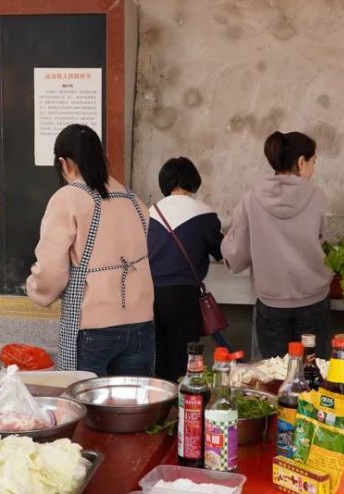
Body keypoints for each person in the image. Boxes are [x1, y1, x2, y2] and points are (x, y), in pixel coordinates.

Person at [26, 124, 155, 376]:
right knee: (131, 409)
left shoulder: (69, 198)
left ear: (64, 163)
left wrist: (37, 290)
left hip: (92, 328)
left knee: (85, 408)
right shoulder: (133, 200)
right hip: (141, 325)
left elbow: (51, 271)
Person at [221, 131, 332, 360]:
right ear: (301, 162)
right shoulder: (318, 197)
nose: (313, 168)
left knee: (273, 378)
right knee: (314, 373)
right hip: (313, 300)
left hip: (271, 303)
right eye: (313, 162)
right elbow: (323, 241)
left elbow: (235, 254)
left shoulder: (251, 198)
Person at [147, 157, 223, 381]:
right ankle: (183, 408)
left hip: (151, 295)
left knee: (158, 357)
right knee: (185, 361)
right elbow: (221, 251)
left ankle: (161, 408)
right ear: (193, 181)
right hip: (185, 296)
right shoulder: (204, 213)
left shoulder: (149, 213)